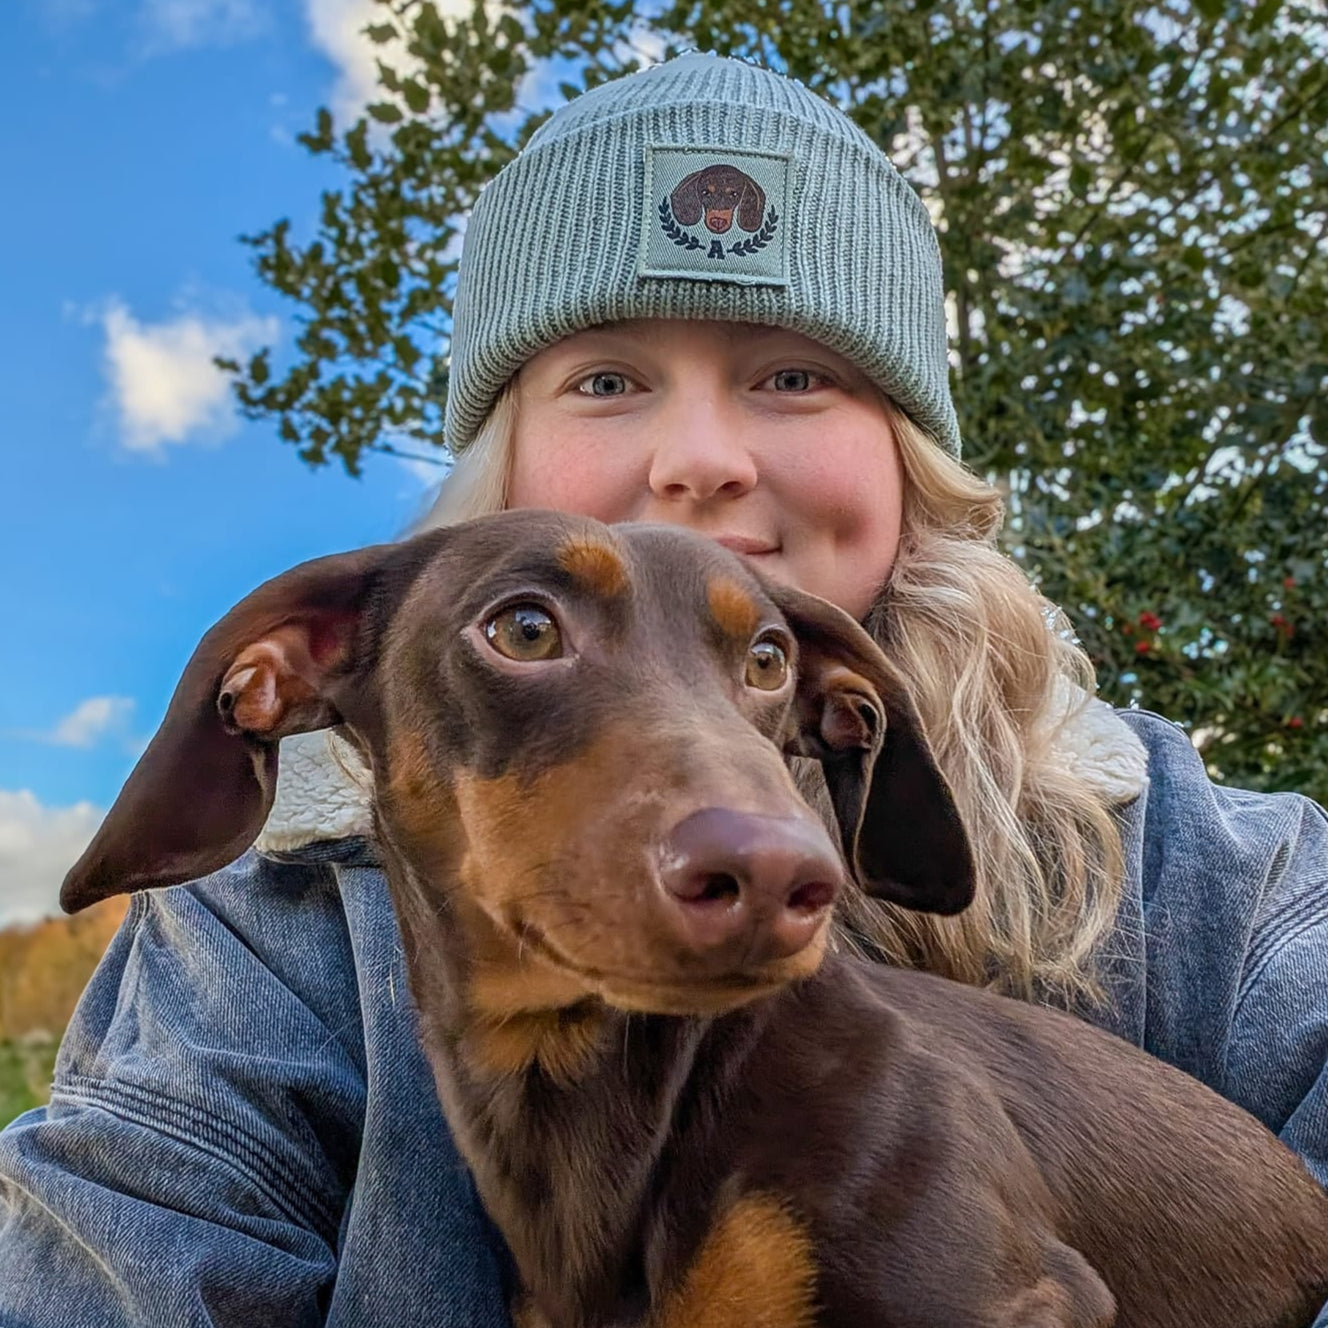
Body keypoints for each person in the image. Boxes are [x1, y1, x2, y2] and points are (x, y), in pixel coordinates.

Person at [1, 52, 1325, 1328]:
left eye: (795, 374)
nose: (702, 459)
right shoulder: (256, 944)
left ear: (909, 454)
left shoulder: (1227, 876)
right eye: (608, 378)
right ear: (507, 459)